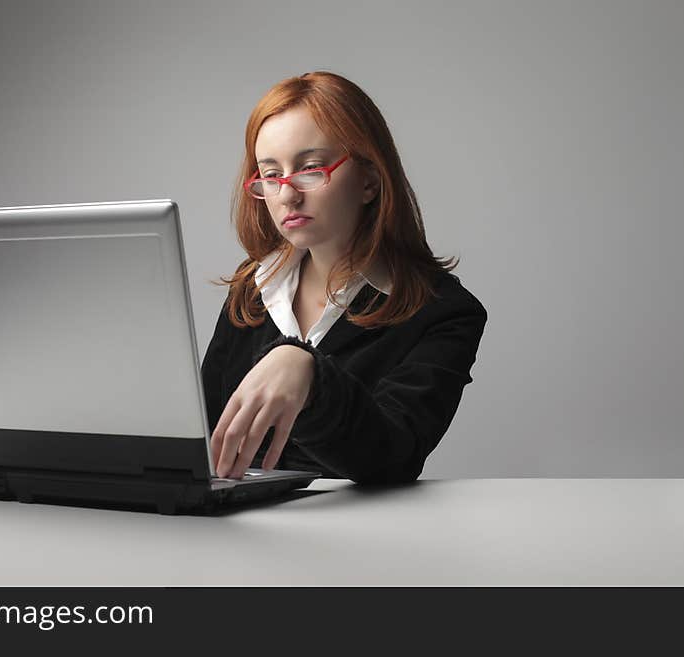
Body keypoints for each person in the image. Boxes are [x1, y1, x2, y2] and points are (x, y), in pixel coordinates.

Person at [201, 71, 487, 484]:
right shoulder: (253, 289)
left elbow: (395, 456)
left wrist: (310, 375)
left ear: (369, 180)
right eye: (271, 174)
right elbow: (204, 435)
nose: (286, 194)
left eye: (310, 168)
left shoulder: (445, 313)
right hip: (236, 533)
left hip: (363, 539)